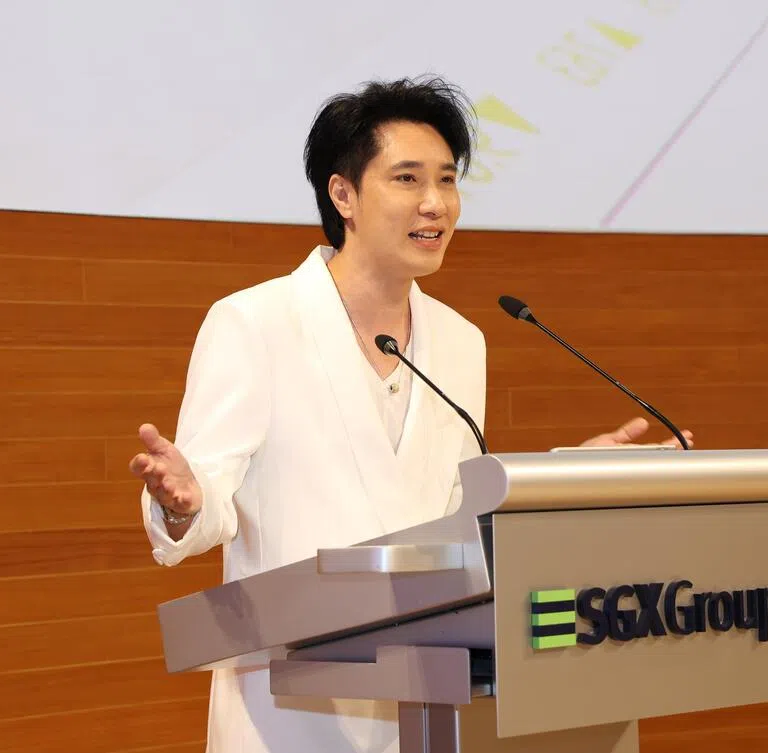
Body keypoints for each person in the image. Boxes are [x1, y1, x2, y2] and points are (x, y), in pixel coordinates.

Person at [130, 75, 692, 753]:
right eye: (407, 179)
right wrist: (185, 504)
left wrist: (563, 479)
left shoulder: (460, 341)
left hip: (427, 698)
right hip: (293, 709)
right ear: (344, 195)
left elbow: (453, 514)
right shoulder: (255, 322)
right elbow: (208, 498)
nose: (436, 203)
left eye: (448, 180)